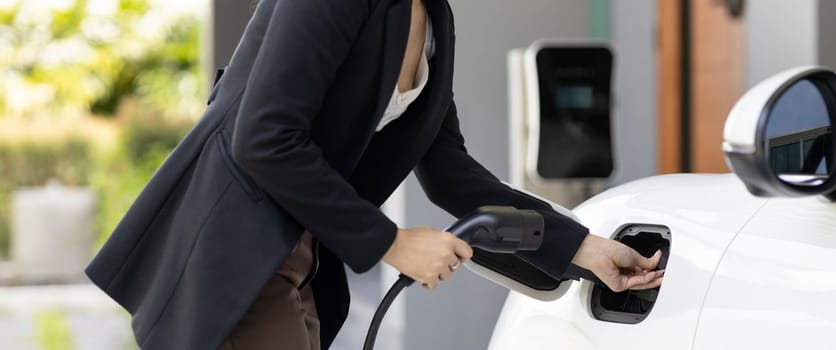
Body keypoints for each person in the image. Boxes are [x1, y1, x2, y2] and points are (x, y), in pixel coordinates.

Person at [85, 0, 664, 349]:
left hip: (303, 260)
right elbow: (263, 138)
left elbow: (452, 175)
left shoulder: (433, 17)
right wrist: (392, 242)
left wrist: (585, 249)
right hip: (237, 256)